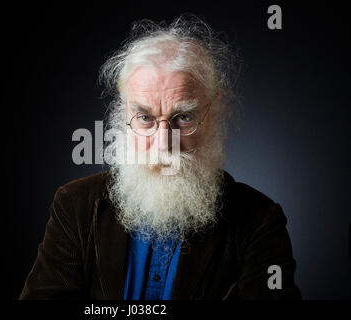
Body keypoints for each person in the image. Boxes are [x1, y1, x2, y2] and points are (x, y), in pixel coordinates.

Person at [19, 14, 301, 300]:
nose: (164, 144)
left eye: (183, 117)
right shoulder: (74, 206)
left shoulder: (260, 222)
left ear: (213, 113)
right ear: (124, 115)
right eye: (145, 117)